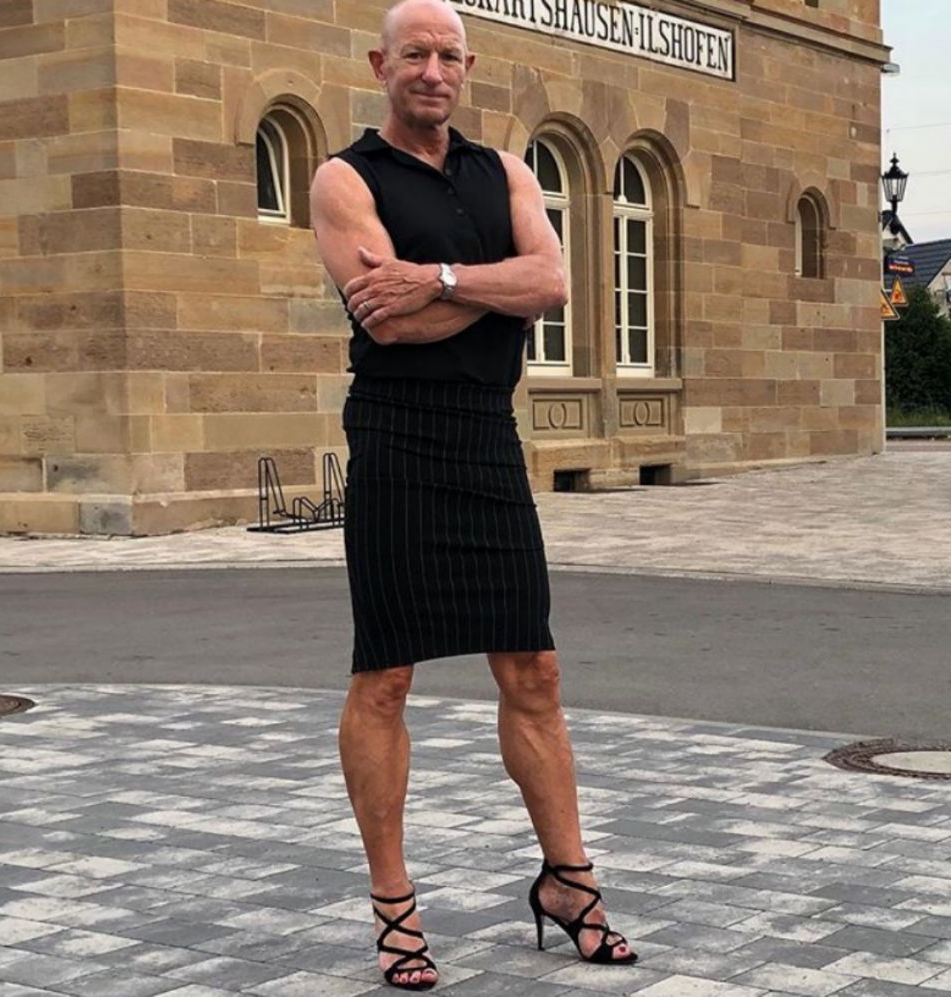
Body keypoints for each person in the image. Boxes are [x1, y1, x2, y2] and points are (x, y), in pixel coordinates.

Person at [309, 0, 637, 989]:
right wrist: (495, 290)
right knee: (385, 675)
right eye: (414, 53)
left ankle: (568, 882)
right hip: (397, 436)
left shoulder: (509, 172)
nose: (432, 70)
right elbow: (388, 323)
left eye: (448, 55)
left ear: (467, 66)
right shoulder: (344, 177)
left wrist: (440, 278)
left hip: (488, 435)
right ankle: (395, 907)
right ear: (381, 65)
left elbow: (554, 284)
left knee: (534, 667)